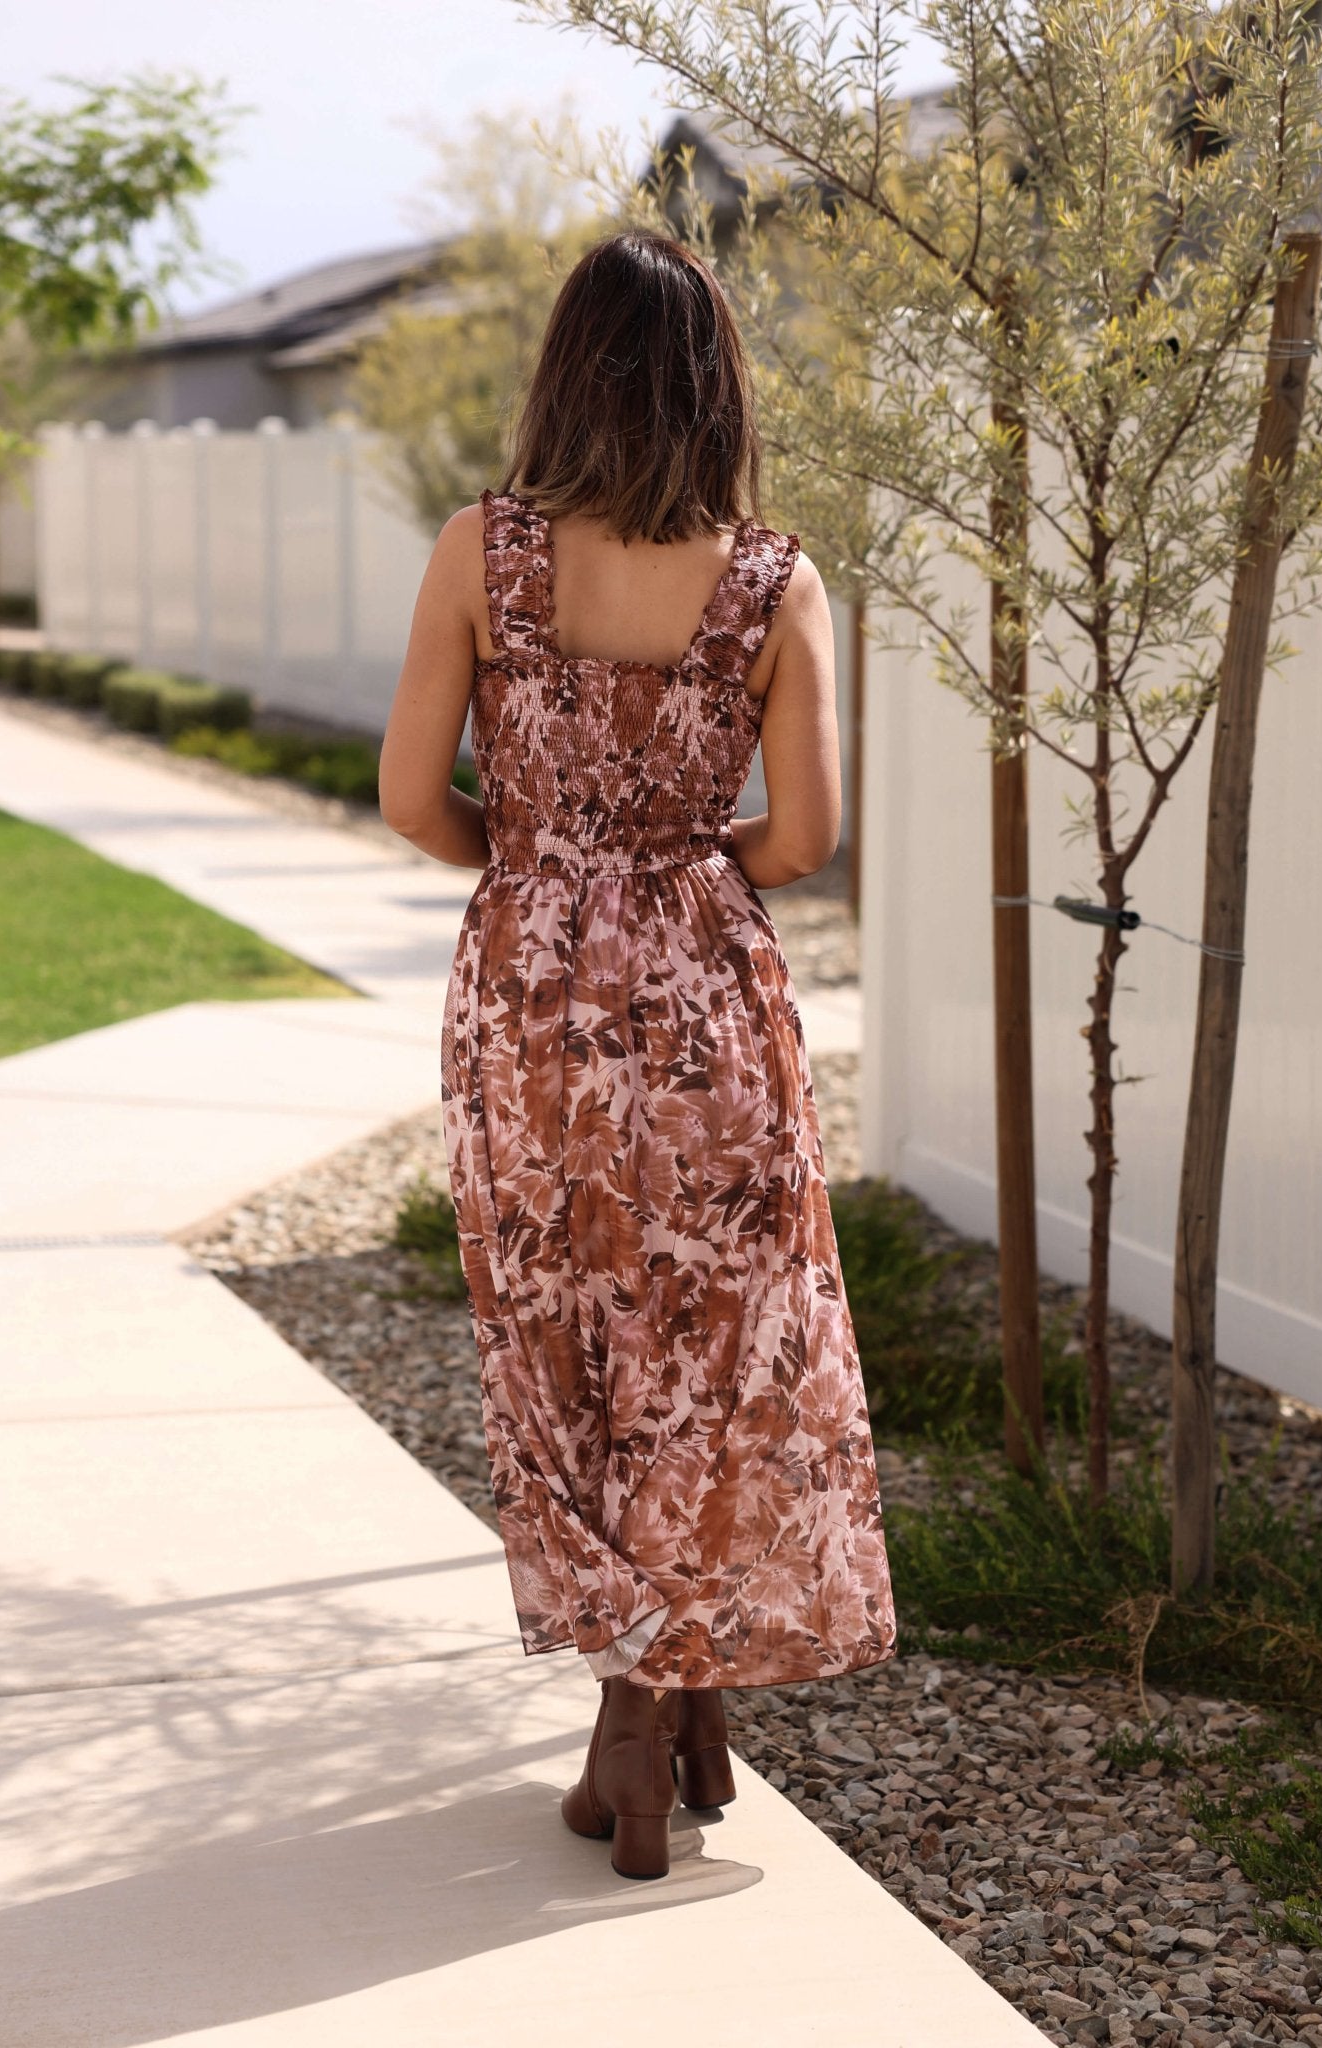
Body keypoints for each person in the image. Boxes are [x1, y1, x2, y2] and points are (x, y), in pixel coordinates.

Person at [379, 229, 897, 1881]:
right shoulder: (776, 582)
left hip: (526, 999)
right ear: (716, 387)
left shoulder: (483, 549)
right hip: (706, 996)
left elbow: (408, 799)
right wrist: (664, 868)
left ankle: (633, 1715)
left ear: (565, 375)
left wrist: (551, 873)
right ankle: (671, 1701)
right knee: (711, 1341)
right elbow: (802, 840)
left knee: (566, 1336)